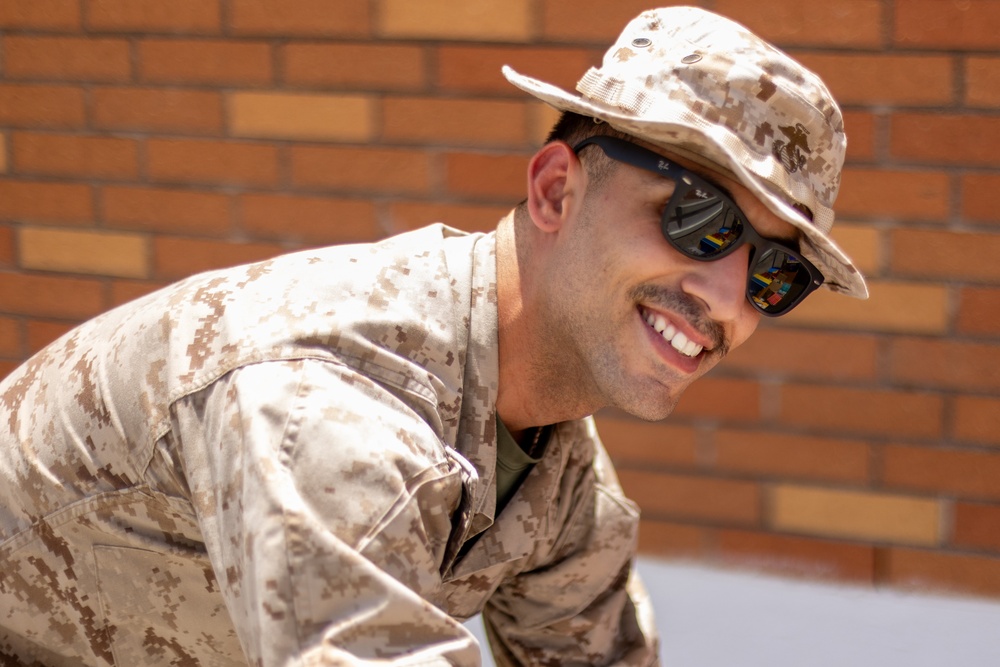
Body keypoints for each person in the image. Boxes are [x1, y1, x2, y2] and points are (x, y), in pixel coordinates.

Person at [0, 6, 867, 666]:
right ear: (556, 192)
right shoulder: (327, 401)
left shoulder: (552, 455)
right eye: (698, 218)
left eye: (776, 275)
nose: (726, 294)